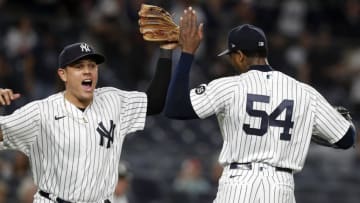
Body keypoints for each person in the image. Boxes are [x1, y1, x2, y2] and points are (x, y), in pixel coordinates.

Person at [164, 7, 356, 203]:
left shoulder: (230, 86)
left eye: (231, 56)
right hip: (280, 187)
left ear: (239, 55)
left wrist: (187, 53)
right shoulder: (304, 92)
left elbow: (175, 108)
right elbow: (347, 139)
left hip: (238, 184)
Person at [0, 41, 175, 202]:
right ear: (63, 74)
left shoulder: (113, 100)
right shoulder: (40, 112)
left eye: (92, 66)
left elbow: (155, 102)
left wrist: (166, 51)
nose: (87, 71)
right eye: (79, 66)